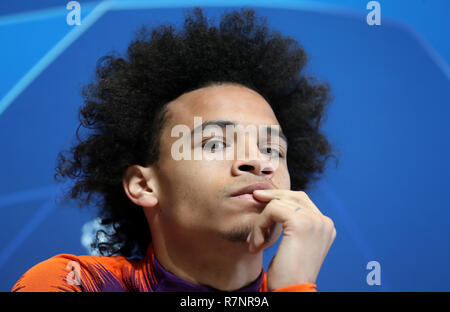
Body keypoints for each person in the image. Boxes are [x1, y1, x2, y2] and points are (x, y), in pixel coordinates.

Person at [12, 7, 337, 292]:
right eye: (215, 143)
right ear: (144, 185)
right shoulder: (74, 283)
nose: (258, 162)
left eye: (272, 149)